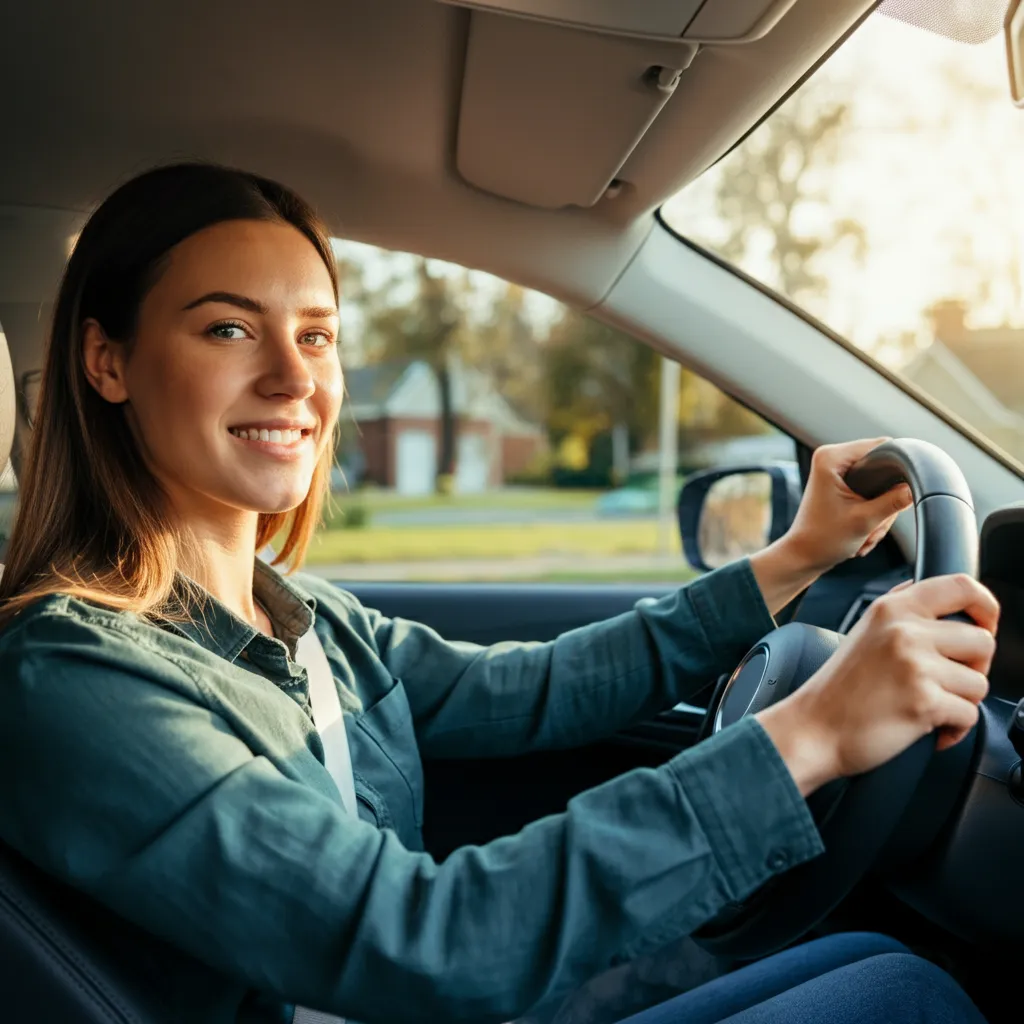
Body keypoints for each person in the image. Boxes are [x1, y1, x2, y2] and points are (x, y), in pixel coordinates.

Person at [0, 163, 997, 1024]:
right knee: (905, 1001)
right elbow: (421, 938)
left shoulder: (307, 620)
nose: (291, 377)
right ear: (108, 361)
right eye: (227, 328)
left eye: (317, 335)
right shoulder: (72, 678)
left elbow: (538, 689)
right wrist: (813, 732)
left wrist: (794, 559)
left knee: (876, 968)